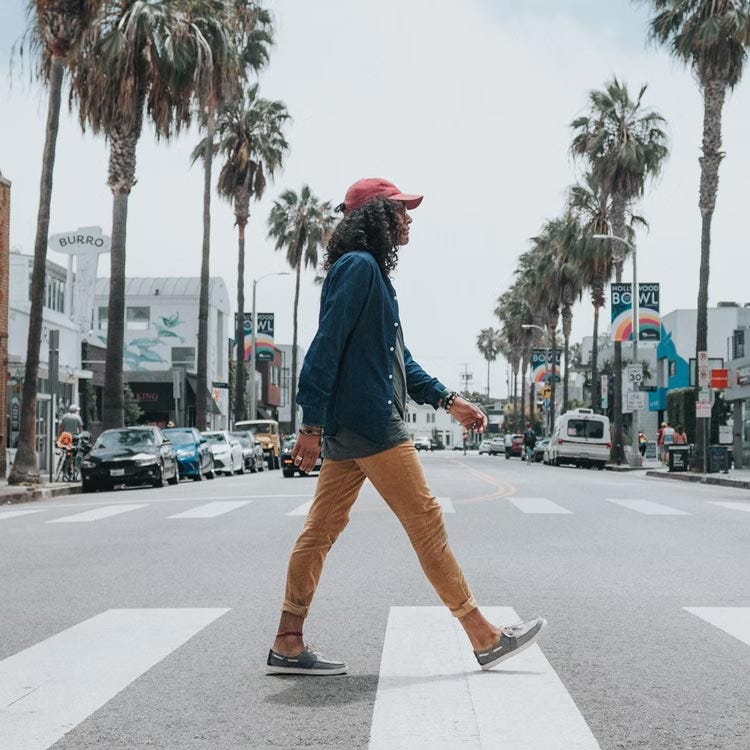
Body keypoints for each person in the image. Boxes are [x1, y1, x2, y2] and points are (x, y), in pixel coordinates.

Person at [267, 178, 546, 676]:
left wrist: (449, 399)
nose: (409, 218)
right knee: (425, 521)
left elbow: (400, 362)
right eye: (400, 210)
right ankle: (483, 636)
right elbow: (324, 345)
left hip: (351, 423)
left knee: (321, 531)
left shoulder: (370, 275)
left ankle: (288, 641)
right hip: (371, 422)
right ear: (375, 216)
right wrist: (309, 422)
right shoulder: (360, 268)